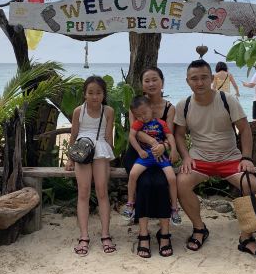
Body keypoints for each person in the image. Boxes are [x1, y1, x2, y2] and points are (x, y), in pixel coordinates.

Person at [174, 59, 256, 260]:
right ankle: (199, 228)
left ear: (212, 78)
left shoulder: (227, 100)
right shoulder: (184, 105)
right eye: (194, 78)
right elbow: (179, 135)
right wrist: (186, 156)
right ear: (187, 81)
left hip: (230, 158)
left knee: (251, 184)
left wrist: (246, 157)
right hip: (200, 159)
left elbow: (245, 129)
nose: (199, 82)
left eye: (204, 77)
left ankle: (246, 237)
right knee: (181, 184)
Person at [123, 67, 178, 258]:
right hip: (138, 154)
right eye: (147, 80)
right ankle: (143, 234)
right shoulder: (136, 105)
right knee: (145, 183)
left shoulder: (169, 108)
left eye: (155, 79)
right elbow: (135, 132)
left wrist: (164, 146)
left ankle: (165, 233)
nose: (151, 84)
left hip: (160, 154)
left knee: (162, 183)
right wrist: (154, 143)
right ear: (142, 84)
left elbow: (169, 134)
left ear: (162, 82)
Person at [65, 76, 116, 256]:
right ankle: (84, 236)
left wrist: (110, 158)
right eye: (91, 92)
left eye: (99, 93)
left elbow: (108, 136)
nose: (95, 96)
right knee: (83, 192)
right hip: (82, 150)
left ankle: (105, 235)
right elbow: (73, 135)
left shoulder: (108, 111)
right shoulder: (79, 111)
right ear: (85, 94)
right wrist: (70, 159)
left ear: (104, 94)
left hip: (101, 149)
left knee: (102, 191)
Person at [123, 96, 181, 226]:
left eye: (144, 113)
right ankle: (130, 203)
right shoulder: (138, 124)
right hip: (146, 156)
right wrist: (139, 150)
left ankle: (174, 208)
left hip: (161, 156)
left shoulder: (161, 123)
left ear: (151, 109)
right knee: (133, 174)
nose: (142, 117)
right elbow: (131, 136)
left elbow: (170, 135)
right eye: (138, 115)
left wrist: (173, 150)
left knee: (172, 178)